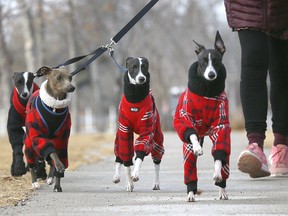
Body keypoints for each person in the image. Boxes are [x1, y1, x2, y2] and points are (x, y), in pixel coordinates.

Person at [224, 0, 288, 177]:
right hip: (247, 5)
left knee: (283, 68)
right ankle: (255, 145)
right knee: (253, 62)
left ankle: (282, 146)